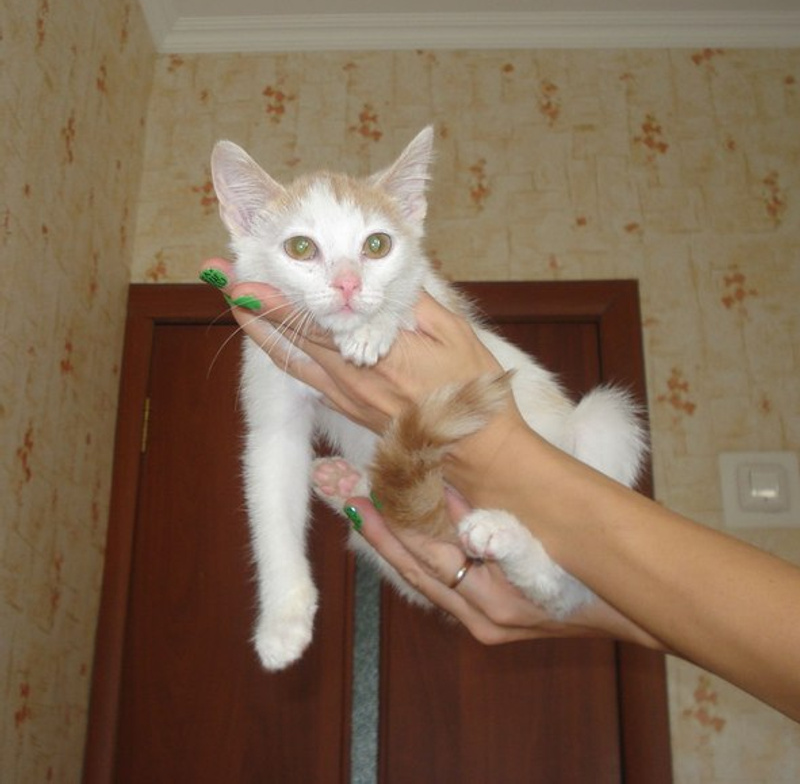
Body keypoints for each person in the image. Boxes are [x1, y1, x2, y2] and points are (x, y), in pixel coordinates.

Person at [201, 259, 800, 722]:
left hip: (543, 469)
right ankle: (519, 560)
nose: (345, 276)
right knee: (391, 529)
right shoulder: (288, 330)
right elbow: (274, 442)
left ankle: (535, 564)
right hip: (466, 520)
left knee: (609, 418)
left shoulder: (399, 284)